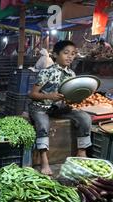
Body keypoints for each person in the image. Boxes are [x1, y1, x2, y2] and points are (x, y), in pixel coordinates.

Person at [29, 40, 92, 176]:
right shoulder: (46, 72)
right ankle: (44, 159)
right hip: (40, 107)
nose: (70, 56)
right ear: (56, 55)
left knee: (84, 117)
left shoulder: (71, 75)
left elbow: (70, 96)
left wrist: (77, 98)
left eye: (73, 54)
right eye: (66, 53)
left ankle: (82, 151)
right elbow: (32, 94)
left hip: (59, 108)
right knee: (43, 124)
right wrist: (50, 96)